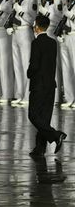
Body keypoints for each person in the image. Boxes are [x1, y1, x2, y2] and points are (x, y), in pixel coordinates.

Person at [28, 14, 67, 156]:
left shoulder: (36, 43)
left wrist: (29, 73)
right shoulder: (52, 42)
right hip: (50, 84)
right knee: (44, 117)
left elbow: (34, 64)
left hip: (38, 85)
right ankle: (40, 149)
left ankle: (56, 135)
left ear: (37, 27)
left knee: (33, 115)